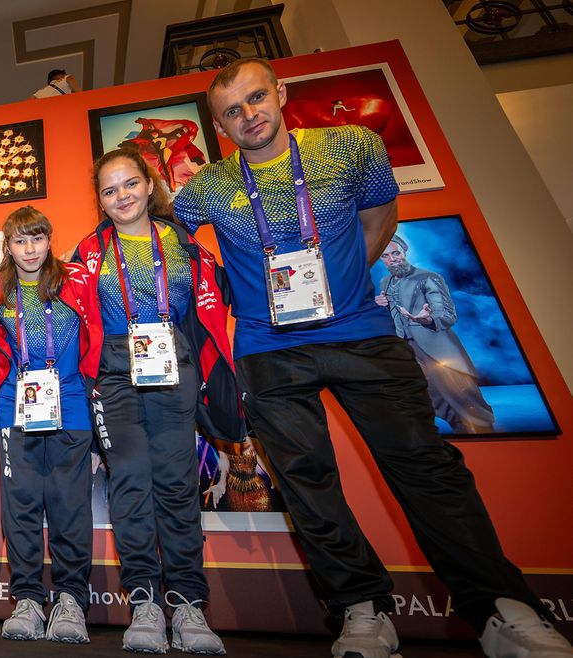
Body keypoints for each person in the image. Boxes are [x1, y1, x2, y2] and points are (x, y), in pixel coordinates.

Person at [174, 57, 573, 658]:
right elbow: (179, 249)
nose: (249, 115)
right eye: (232, 111)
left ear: (280, 93)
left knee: (425, 467)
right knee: (307, 483)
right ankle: (362, 609)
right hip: (269, 348)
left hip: (362, 334)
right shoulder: (207, 188)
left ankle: (500, 609)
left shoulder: (349, 145)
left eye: (257, 99)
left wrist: (345, 277)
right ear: (219, 125)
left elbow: (381, 216)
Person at [72, 150, 229, 655]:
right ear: (99, 199)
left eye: (130, 184)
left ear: (148, 183)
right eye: (109, 189)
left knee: (177, 485)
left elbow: (206, 309)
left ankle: (186, 603)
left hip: (173, 367)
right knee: (131, 482)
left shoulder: (182, 241)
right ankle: (143, 600)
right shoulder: (90, 250)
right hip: (114, 376)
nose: (122, 196)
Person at [0, 206, 101, 643]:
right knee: (22, 506)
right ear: (8, 246)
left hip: (69, 406)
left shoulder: (76, 281)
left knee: (70, 505)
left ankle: (70, 599)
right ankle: (28, 598)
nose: (29, 249)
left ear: (50, 240)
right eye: (19, 241)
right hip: (17, 408)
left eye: (37, 238)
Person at [376, 235, 496, 433]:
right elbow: (395, 316)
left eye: (396, 253)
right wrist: (383, 306)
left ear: (405, 252)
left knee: (461, 394)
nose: (392, 259)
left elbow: (447, 316)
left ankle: (486, 437)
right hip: (407, 350)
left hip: (436, 348)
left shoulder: (428, 277)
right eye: (386, 256)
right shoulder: (385, 283)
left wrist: (426, 319)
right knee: (432, 398)